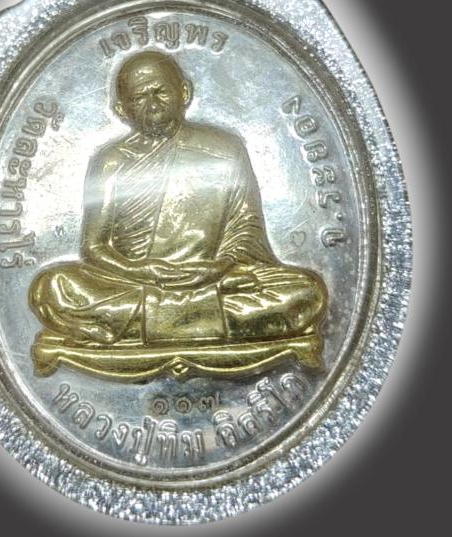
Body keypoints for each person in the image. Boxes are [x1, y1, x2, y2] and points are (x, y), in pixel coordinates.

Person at [29, 51, 326, 350]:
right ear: (122, 109)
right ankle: (204, 319)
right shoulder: (111, 162)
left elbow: (245, 227)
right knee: (52, 288)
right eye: (139, 98)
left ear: (184, 92)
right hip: (137, 282)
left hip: (212, 277)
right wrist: (140, 271)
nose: (152, 105)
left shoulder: (224, 149)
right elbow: (94, 248)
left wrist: (221, 267)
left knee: (306, 292)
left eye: (160, 92)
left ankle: (137, 325)